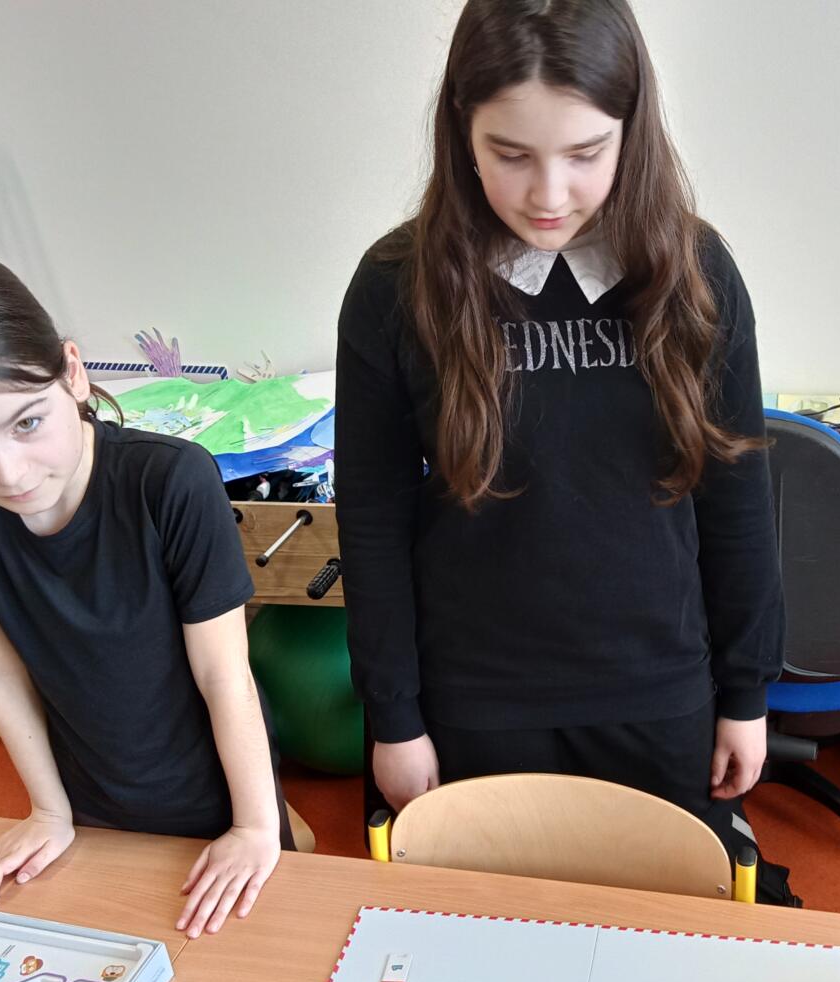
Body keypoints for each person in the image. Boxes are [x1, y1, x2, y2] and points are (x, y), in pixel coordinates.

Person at [336, 0, 792, 899]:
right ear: (461, 130)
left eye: (585, 154)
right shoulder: (396, 286)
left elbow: (738, 495)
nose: (549, 195)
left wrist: (746, 691)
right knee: (477, 929)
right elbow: (374, 521)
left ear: (632, 129)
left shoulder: (697, 274)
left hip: (657, 687)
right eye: (510, 154)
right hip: (472, 695)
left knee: (661, 930)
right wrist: (394, 716)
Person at [0, 244, 297, 938]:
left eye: (26, 422)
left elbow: (224, 674)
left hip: (216, 792)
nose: (7, 474)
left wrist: (253, 826)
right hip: (82, 795)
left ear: (72, 371)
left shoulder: (171, 481)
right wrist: (48, 810)